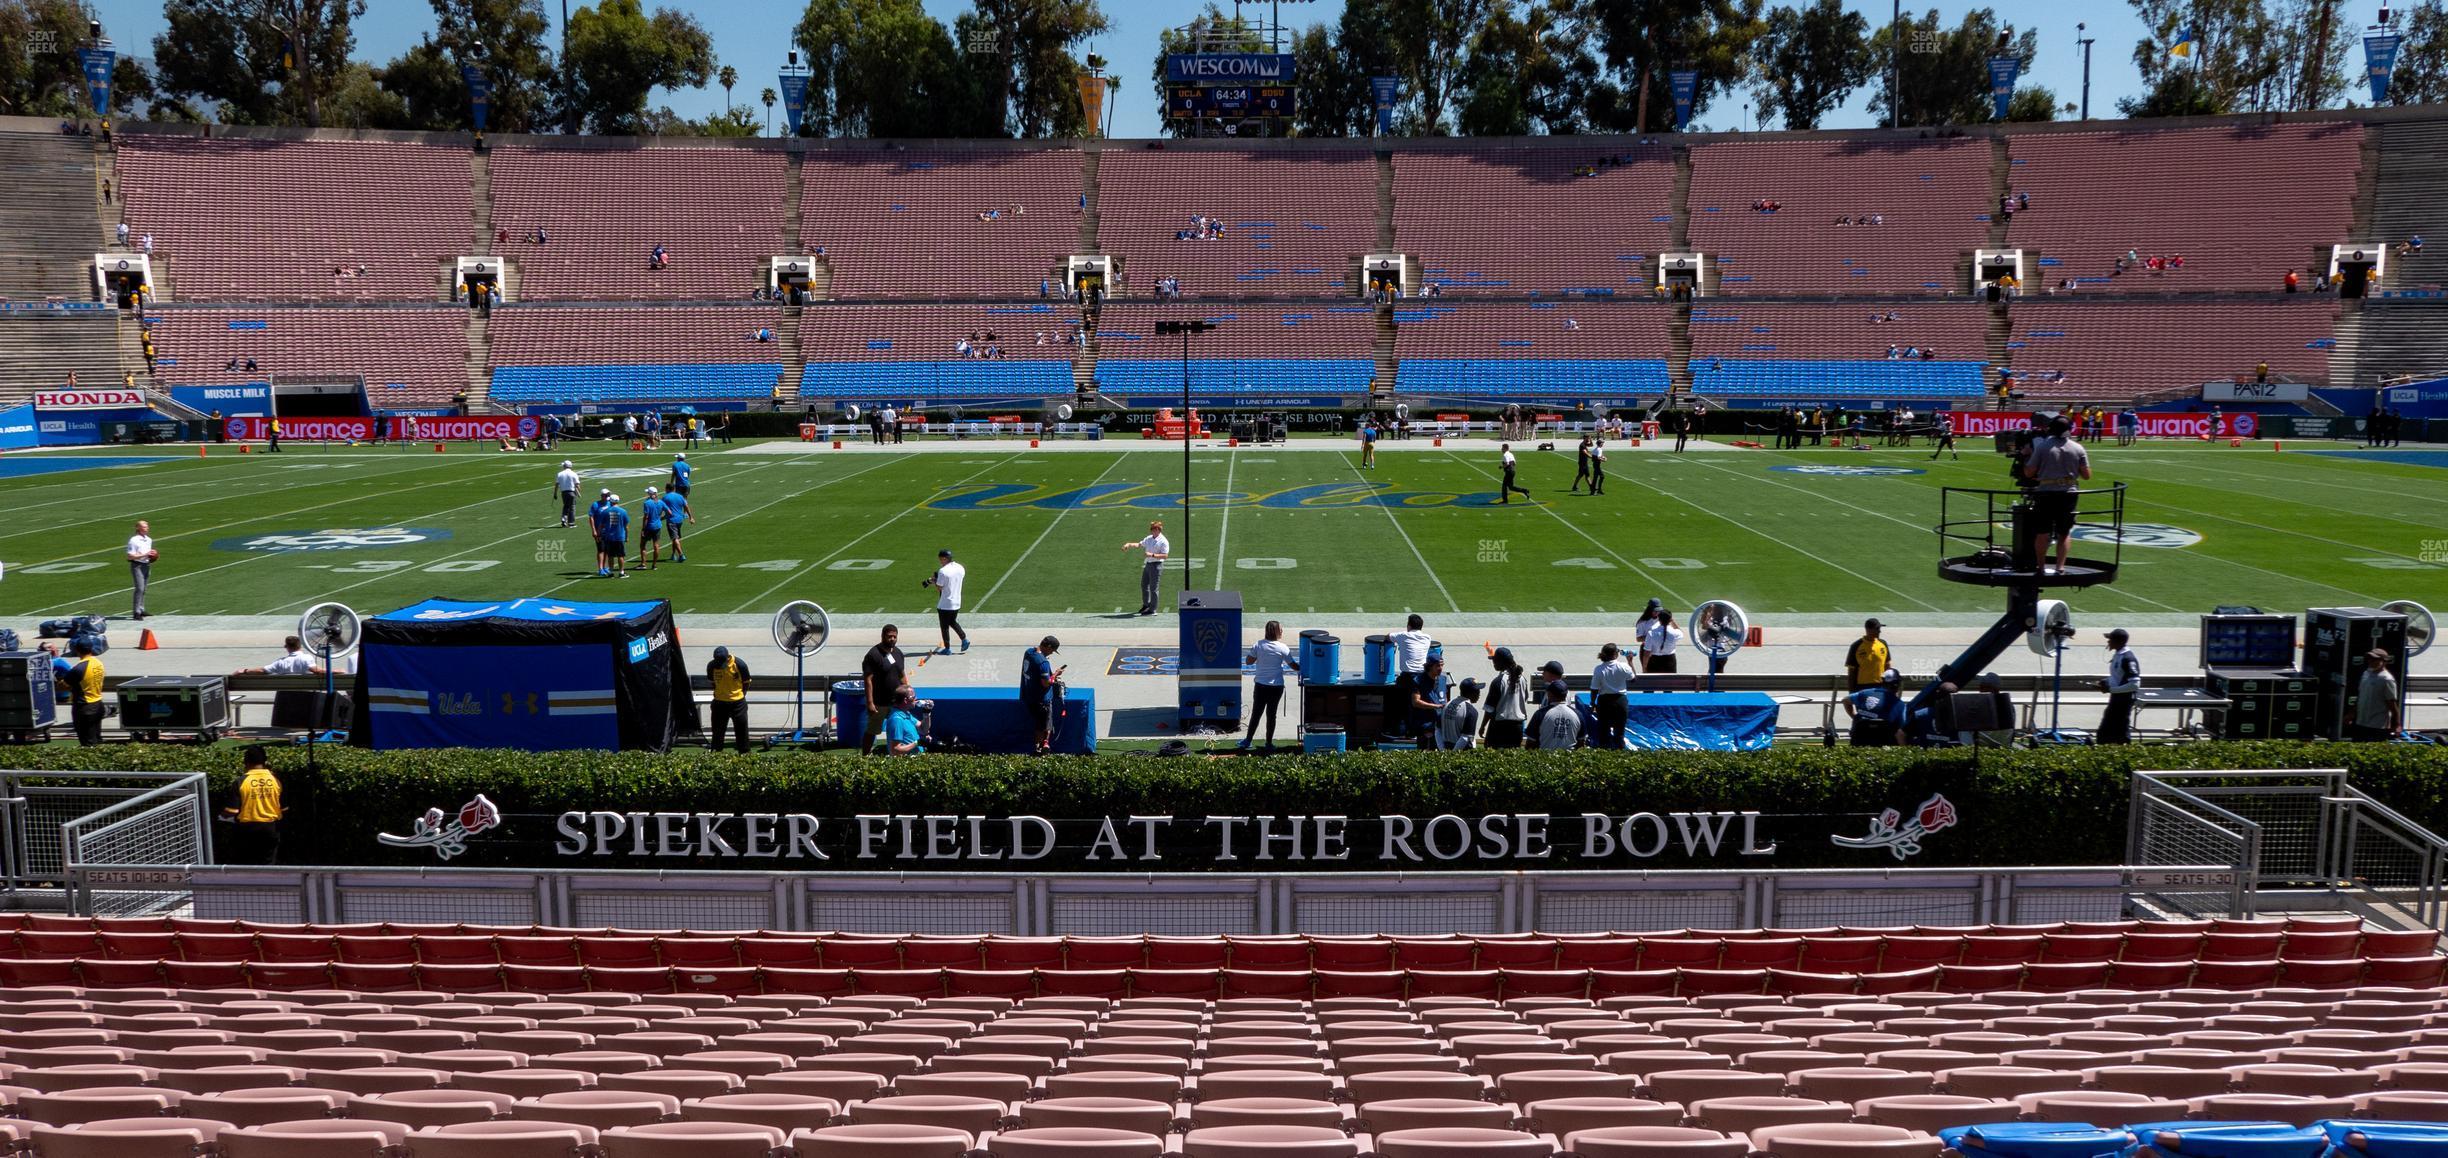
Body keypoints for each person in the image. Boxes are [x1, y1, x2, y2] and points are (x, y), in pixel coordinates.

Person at [2023, 415, 2092, 575]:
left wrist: (2026, 455)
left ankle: (2040, 567)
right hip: (2068, 493)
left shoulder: (2042, 447)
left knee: (2042, 532)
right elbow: (2087, 475)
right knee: (2064, 532)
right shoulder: (2078, 448)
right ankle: (2060, 567)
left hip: (2045, 493)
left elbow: (2029, 472)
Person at [222, 746, 284, 864]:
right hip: (271, 828)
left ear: (246, 762)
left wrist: (221, 816)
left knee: (247, 863)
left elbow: (232, 811)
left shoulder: (240, 782)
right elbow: (284, 808)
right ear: (265, 761)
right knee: (268, 863)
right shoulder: (276, 780)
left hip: (247, 829)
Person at [1242, 621, 1297, 751]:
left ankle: (1248, 741)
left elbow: (1248, 662)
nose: (1282, 631)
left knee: (1256, 714)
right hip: (1276, 687)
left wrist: (1259, 656)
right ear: (1275, 631)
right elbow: (1294, 666)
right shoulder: (1283, 647)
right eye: (1281, 629)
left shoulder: (1258, 645)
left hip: (1261, 686)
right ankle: (1268, 743)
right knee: (1271, 715)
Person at [861, 625, 908, 756]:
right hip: (879, 702)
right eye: (889, 636)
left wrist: (908, 691)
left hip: (896, 702)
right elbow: (868, 680)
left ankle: (897, 754)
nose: (892, 639)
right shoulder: (873, 654)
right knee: (872, 731)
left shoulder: (898, 653)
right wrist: (870, 703)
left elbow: (902, 674)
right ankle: (864, 757)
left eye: (894, 636)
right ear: (882, 636)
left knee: (898, 729)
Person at [1018, 635, 1066, 756]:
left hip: (1028, 694)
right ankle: (1041, 747)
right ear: (1048, 647)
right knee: (1044, 724)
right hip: (1041, 699)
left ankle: (1041, 746)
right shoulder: (1043, 662)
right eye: (1052, 650)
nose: (1052, 653)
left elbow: (1036, 650)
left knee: (1040, 723)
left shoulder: (1029, 652)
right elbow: (1046, 683)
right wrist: (1055, 674)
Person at [2098, 627, 2142, 744]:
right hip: (2117, 697)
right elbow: (2118, 677)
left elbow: (2134, 685)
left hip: (2124, 699)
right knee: (2108, 729)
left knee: (2120, 729)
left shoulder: (2128, 658)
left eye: (2110, 639)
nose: (2108, 642)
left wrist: (2111, 689)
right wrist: (2106, 681)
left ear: (2119, 642)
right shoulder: (2118, 655)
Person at [1590, 643, 1638, 748]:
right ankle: (1619, 751)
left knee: (1604, 731)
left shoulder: (1599, 669)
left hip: (1604, 701)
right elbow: (1633, 679)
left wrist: (1593, 703)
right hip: (1620, 701)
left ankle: (1604, 753)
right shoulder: (1623, 666)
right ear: (1616, 654)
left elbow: (1594, 689)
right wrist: (1630, 662)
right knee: (1619, 731)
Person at [1481, 647, 1530, 749]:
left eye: (1494, 660)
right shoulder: (1522, 679)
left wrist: (1483, 726)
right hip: (1518, 726)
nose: (1493, 663)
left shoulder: (1498, 681)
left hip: (1500, 726)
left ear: (1501, 662)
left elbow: (1489, 709)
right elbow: (1525, 698)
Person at [706, 646, 752, 753]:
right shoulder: (712, 666)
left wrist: (739, 695)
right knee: (717, 732)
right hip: (719, 703)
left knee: (742, 731)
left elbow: (746, 683)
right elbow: (712, 683)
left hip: (738, 703)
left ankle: (744, 754)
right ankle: (716, 754)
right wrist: (720, 694)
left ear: (728, 658)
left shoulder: (739, 664)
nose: (720, 665)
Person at [924, 549, 970, 654]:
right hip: (957, 601)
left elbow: (939, 587)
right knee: (952, 622)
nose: (940, 561)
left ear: (944, 558)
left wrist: (934, 580)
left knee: (944, 626)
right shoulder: (960, 567)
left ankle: (947, 648)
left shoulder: (943, 571)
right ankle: (964, 639)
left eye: (941, 559)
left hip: (945, 604)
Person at [1846, 669, 1906, 747]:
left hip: (1859, 743)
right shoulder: (1900, 705)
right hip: (1885, 746)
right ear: (1897, 685)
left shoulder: (1864, 693)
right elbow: (1901, 731)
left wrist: (1854, 716)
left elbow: (1845, 700)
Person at [64, 637, 106, 746]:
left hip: (84, 708)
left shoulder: (78, 668)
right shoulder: (99, 663)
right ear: (91, 649)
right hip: (98, 705)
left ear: (77, 650)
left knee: (87, 743)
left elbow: (64, 685)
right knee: (97, 740)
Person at [1123, 521, 1170, 617]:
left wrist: (1151, 555)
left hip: (1156, 565)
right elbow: (1139, 544)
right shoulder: (1149, 538)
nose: (1151, 530)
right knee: (1144, 585)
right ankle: (1146, 605)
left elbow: (1165, 556)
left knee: (1154, 588)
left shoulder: (1163, 541)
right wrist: (1129, 544)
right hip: (1148, 564)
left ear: (1157, 530)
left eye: (1152, 529)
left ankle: (1153, 610)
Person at [2354, 648, 2401, 741]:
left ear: (2384, 661)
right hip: (2361, 722)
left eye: (2375, 659)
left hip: (2378, 725)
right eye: (2369, 658)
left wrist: (2397, 724)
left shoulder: (2387, 679)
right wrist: (2352, 714)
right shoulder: (2366, 673)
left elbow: (2392, 704)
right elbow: (2360, 697)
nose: (2370, 661)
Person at [1529, 671, 1581, 750]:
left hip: (1544, 758)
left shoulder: (1540, 714)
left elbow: (1530, 743)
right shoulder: (1578, 714)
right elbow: (1581, 742)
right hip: (1570, 758)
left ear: (1550, 694)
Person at [1405, 655, 1452, 740]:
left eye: (1442, 665)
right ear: (1429, 666)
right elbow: (1415, 702)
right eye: (1437, 665)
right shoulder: (1418, 681)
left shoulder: (1443, 679)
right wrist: (1436, 706)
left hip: (1440, 723)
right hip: (1425, 725)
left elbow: (1445, 698)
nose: (1440, 668)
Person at [237, 636, 323, 677]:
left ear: (286, 647)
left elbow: (262, 670)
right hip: (307, 694)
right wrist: (334, 671)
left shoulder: (280, 662)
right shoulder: (307, 658)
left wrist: (244, 671)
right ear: (300, 646)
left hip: (285, 695)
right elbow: (317, 671)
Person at [1438, 678, 1483, 751]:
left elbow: (1438, 729)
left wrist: (1442, 750)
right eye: (1477, 691)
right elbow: (1465, 738)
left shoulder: (1447, 705)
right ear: (1470, 693)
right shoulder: (1471, 711)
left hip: (1446, 747)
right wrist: (1454, 754)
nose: (1479, 694)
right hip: (1463, 751)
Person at [1846, 618, 1890, 692]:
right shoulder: (1856, 646)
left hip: (1880, 686)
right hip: (1862, 688)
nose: (1879, 631)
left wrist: (1889, 686)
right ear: (1868, 630)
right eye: (1877, 628)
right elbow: (1851, 672)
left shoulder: (1883, 644)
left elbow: (1887, 666)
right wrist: (1851, 693)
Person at [126, 519, 157, 620]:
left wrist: (152, 555)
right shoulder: (134, 540)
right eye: (144, 527)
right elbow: (130, 557)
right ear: (138, 528)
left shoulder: (149, 539)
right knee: (139, 588)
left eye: (147, 526)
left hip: (146, 565)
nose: (147, 528)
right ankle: (136, 612)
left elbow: (147, 554)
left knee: (144, 589)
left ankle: (141, 609)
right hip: (137, 566)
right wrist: (145, 554)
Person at [883, 686, 926, 755]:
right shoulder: (897, 720)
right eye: (913, 697)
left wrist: (927, 712)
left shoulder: (906, 714)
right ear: (906, 700)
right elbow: (894, 750)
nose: (916, 699)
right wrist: (917, 743)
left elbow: (923, 729)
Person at [636, 487, 668, 570]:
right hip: (657, 526)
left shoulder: (647, 503)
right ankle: (654, 565)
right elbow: (669, 513)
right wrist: (661, 518)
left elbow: (646, 517)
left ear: (650, 494)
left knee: (643, 545)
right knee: (656, 546)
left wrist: (643, 529)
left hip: (649, 527)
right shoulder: (661, 502)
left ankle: (643, 564)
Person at [598, 493, 629, 578]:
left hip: (609, 537)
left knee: (610, 556)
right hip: (619, 537)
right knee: (620, 555)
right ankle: (621, 572)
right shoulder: (623, 511)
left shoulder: (605, 511)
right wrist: (627, 536)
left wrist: (599, 535)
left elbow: (601, 525)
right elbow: (626, 526)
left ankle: (611, 572)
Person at [658, 485, 690, 563]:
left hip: (672, 521)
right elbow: (686, 506)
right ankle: (673, 554)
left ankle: (681, 555)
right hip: (680, 520)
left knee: (674, 538)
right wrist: (690, 517)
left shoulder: (665, 498)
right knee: (675, 538)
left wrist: (658, 518)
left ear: (667, 489)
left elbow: (661, 509)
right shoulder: (680, 496)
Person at [553, 460, 580, 528]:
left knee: (565, 506)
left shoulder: (560, 474)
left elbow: (556, 485)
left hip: (563, 493)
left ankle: (563, 520)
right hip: (571, 492)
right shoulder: (574, 474)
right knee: (572, 507)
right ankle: (571, 523)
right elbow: (577, 485)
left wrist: (555, 494)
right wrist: (579, 492)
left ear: (565, 466)